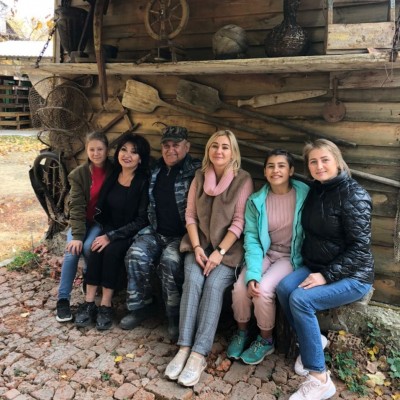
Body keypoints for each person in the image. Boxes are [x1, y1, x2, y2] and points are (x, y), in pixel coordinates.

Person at [276, 139, 374, 400]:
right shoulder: (316, 190)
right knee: (284, 288)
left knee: (301, 299)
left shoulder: (355, 196)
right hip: (318, 265)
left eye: (325, 160)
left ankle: (320, 379)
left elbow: (360, 249)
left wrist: (326, 276)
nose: (319, 166)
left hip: (353, 275)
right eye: (313, 162)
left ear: (337, 161)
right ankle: (314, 342)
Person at [164, 129, 253, 387]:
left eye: (225, 147)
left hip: (228, 251)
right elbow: (190, 215)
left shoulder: (243, 179)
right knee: (193, 282)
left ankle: (198, 354)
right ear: (208, 150)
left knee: (213, 286)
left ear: (233, 152)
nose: (219, 151)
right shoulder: (200, 177)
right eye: (215, 146)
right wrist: (197, 247)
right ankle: (184, 347)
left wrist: (219, 252)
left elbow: (239, 223)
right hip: (200, 247)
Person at [227, 149, 309, 365]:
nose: (276, 170)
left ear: (291, 170)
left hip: (289, 257)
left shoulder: (305, 195)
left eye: (281, 166)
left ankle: (266, 340)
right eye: (271, 166)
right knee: (241, 286)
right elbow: (252, 239)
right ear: (264, 172)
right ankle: (242, 332)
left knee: (263, 291)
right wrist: (253, 273)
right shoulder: (256, 201)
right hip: (265, 252)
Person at [120, 126, 201, 339]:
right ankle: (140, 307)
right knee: (135, 254)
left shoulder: (196, 171)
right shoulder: (155, 169)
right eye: (166, 145)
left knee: (170, 261)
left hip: (182, 236)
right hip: (156, 231)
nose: (170, 150)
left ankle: (174, 316)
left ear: (187, 147)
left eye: (176, 145)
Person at [75, 133, 150, 331]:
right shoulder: (113, 175)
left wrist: (112, 236)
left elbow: (142, 219)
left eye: (134, 152)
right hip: (109, 228)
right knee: (96, 246)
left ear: (140, 158)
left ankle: (106, 305)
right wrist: (106, 233)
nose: (127, 155)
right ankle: (89, 302)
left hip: (130, 232)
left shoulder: (143, 181)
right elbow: (104, 210)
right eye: (124, 150)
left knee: (112, 252)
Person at [56, 131, 113, 323]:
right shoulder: (78, 174)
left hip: (99, 222)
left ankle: (89, 280)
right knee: (72, 251)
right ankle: (63, 299)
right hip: (81, 221)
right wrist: (77, 236)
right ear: (87, 151)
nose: (96, 153)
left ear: (107, 150)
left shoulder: (114, 171)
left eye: (100, 149)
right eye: (92, 149)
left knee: (90, 247)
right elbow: (77, 207)